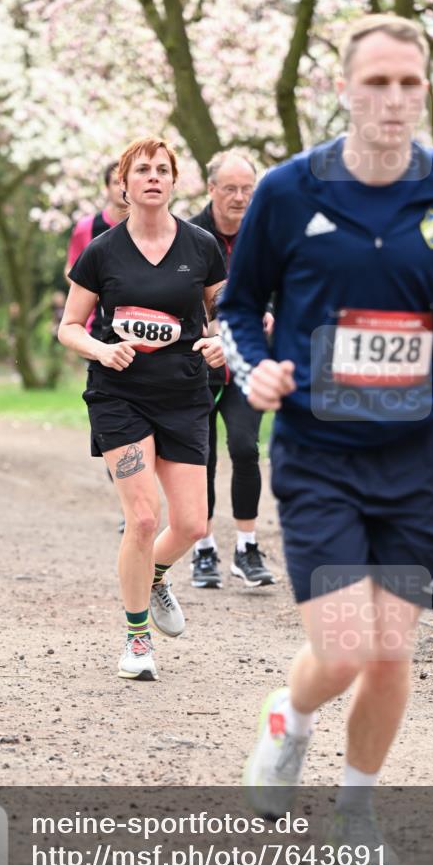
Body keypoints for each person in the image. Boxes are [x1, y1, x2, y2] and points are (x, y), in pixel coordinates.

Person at [219, 14, 433, 865]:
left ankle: (354, 811)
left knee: (388, 653)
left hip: (412, 464)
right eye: (376, 82)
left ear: (424, 90)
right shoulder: (286, 191)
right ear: (343, 88)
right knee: (343, 647)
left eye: (408, 83)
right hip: (318, 457)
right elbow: (238, 307)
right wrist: (258, 369)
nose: (392, 98)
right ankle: (289, 717)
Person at [59, 136, 226, 681]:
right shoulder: (102, 251)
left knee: (193, 524)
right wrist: (101, 349)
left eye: (162, 170)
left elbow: (224, 311)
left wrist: (222, 341)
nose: (153, 177)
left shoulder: (201, 246)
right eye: (142, 170)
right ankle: (136, 639)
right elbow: (68, 327)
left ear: (174, 182)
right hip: (120, 396)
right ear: (124, 185)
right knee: (144, 517)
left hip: (184, 395)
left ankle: (154, 575)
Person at [189, 151, 275, 590]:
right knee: (201, 456)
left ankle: (246, 547)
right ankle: (203, 550)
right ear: (211, 189)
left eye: (247, 189)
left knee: (244, 448)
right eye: (230, 189)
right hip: (197, 363)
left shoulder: (266, 234)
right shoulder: (187, 235)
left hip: (246, 362)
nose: (240, 197)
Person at [65, 160, 130, 340]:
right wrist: (99, 292)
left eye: (126, 182)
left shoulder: (151, 228)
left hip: (140, 328)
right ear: (106, 188)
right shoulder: (86, 227)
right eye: (116, 182)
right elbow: (71, 269)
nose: (122, 188)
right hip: (96, 330)